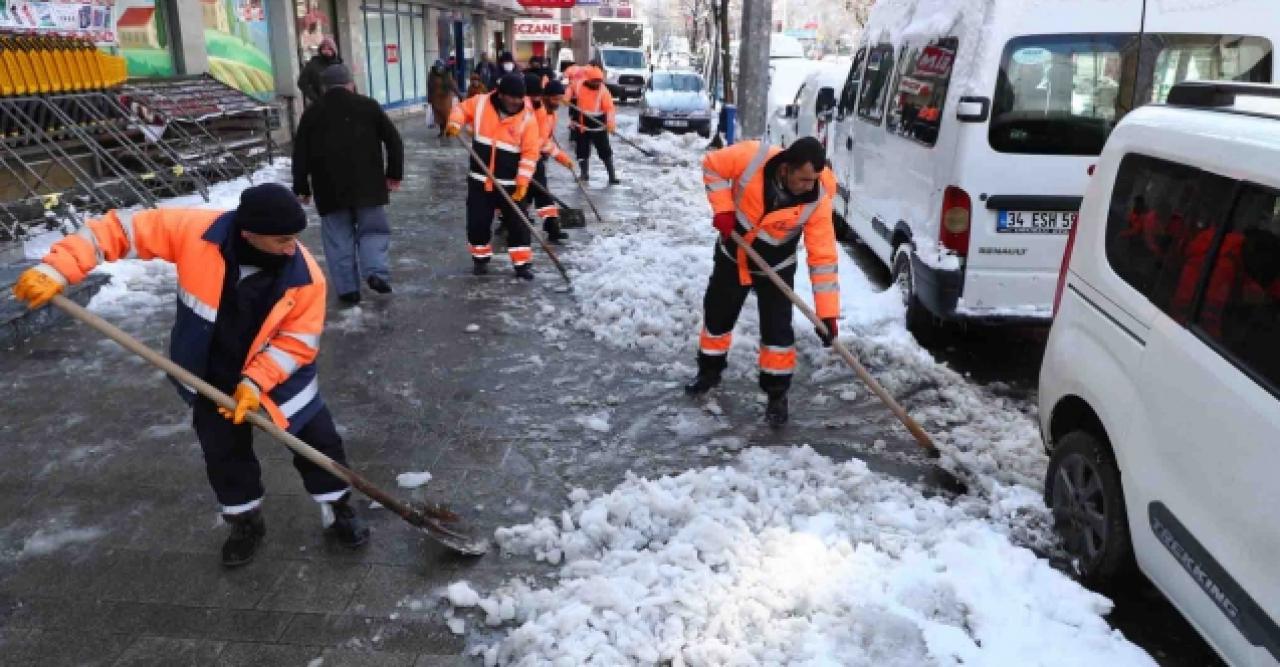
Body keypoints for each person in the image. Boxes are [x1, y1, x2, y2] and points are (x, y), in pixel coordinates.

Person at [11, 183, 370, 567]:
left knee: (317, 441)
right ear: (248, 234)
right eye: (282, 239)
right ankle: (245, 520)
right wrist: (57, 268)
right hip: (208, 374)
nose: (292, 247)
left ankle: (337, 507)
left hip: (281, 379)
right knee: (223, 453)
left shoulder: (305, 277)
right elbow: (115, 230)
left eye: (294, 238)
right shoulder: (195, 232)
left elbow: (297, 343)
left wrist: (255, 382)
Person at [686, 137, 841, 427]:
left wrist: (827, 313)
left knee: (778, 333)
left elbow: (823, 258)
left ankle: (777, 395)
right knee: (717, 318)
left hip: (776, 266)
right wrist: (723, 210)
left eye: (814, 179)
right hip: (734, 257)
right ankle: (708, 373)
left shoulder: (818, 200)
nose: (809, 186)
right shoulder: (751, 157)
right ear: (785, 168)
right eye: (803, 179)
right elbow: (712, 166)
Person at [292, 64, 404, 304]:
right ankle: (375, 272)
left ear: (324, 87)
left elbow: (300, 152)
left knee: (337, 239)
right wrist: (393, 173)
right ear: (350, 83)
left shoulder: (312, 113)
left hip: (329, 190)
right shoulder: (368, 106)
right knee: (373, 231)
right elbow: (394, 141)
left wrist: (301, 187)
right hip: (369, 186)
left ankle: (348, 290)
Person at [446, 73, 541, 279]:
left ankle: (522, 264)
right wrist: (455, 122)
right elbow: (460, 109)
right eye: (512, 97)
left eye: (520, 98)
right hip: (480, 180)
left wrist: (523, 183)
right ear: (501, 94)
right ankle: (480, 260)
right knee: (477, 223)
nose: (517, 102)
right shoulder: (480, 104)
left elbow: (530, 153)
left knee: (518, 225)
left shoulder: (527, 118)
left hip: (511, 184)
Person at [527, 75, 576, 243]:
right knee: (533, 193)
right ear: (545, 97)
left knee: (540, 193)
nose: (558, 102)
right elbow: (540, 142)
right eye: (555, 98)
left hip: (537, 159)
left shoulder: (552, 115)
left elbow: (546, 138)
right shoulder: (537, 112)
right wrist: (561, 157)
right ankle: (510, 222)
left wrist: (561, 157)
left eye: (560, 99)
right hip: (524, 158)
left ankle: (552, 228)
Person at [573, 66, 619, 185]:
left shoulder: (603, 91)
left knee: (604, 150)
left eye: (599, 81)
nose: (597, 83)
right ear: (588, 79)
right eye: (595, 81)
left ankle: (612, 175)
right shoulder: (579, 86)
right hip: (582, 124)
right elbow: (570, 93)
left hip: (599, 125)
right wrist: (564, 98)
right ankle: (584, 174)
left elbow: (609, 109)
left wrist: (610, 124)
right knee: (582, 151)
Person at [297, 37, 341, 107]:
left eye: (329, 49)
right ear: (320, 50)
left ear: (334, 51)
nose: (326, 51)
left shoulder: (339, 65)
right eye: (324, 48)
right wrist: (316, 98)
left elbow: (348, 84)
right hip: (320, 104)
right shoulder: (313, 64)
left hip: (338, 103)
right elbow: (302, 82)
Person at [428, 59, 456, 138]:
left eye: (441, 67)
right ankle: (442, 131)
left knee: (447, 115)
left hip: (445, 98)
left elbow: (452, 84)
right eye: (438, 67)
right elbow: (429, 86)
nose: (439, 69)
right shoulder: (432, 74)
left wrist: (459, 94)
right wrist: (429, 98)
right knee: (439, 116)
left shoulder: (447, 74)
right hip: (436, 98)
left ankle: (448, 130)